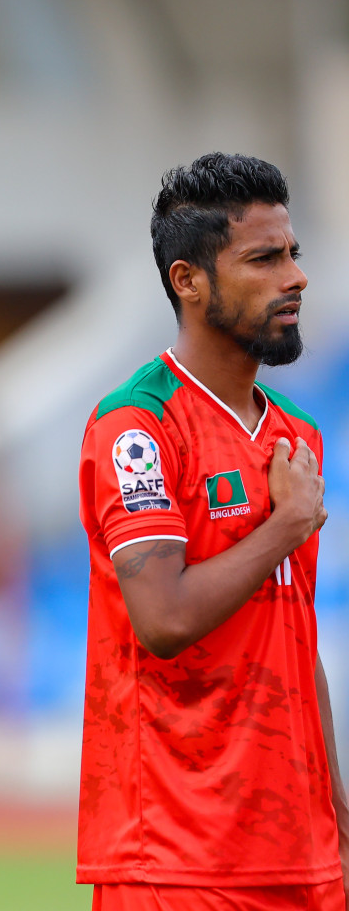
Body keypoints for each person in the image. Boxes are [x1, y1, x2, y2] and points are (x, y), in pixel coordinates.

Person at [78, 153, 346, 910]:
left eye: (293, 254)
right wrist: (285, 526)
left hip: (301, 857)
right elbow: (163, 620)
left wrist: (338, 816)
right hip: (176, 860)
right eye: (264, 259)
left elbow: (296, 643)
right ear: (188, 281)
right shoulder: (138, 423)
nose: (294, 278)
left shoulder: (298, 438)